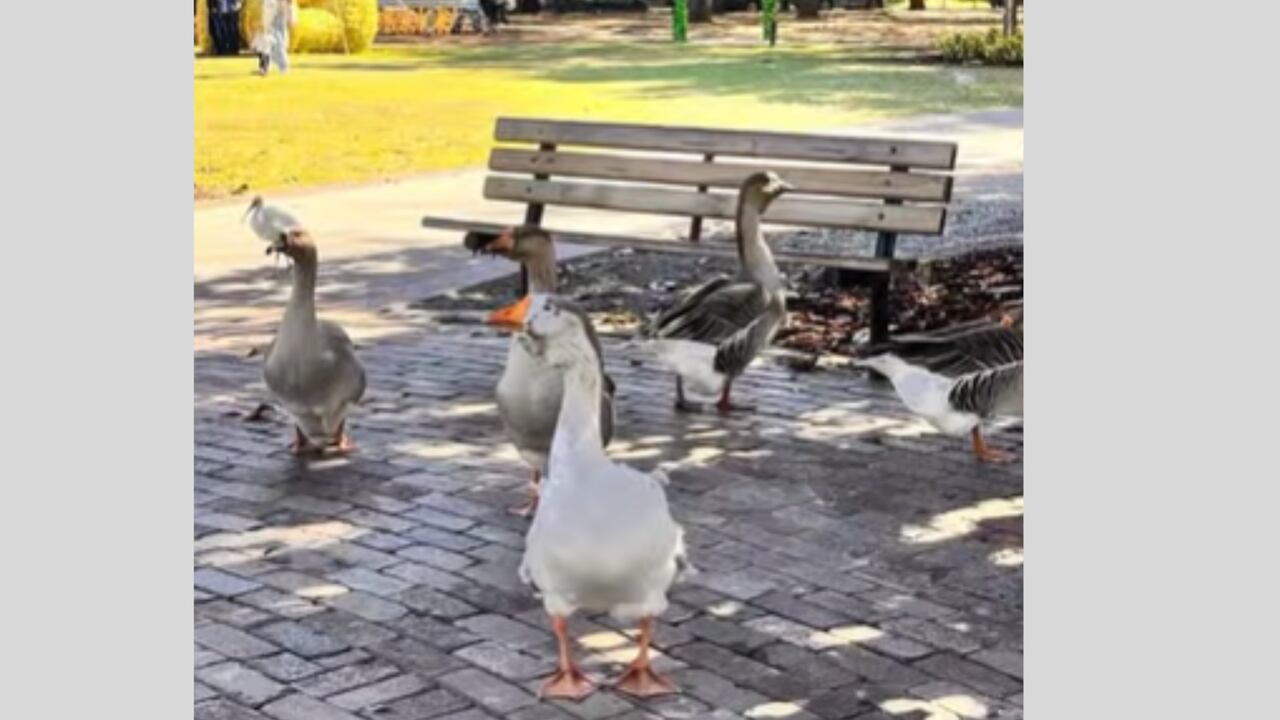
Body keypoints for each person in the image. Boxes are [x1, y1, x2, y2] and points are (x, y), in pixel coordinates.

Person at [256, 0, 294, 75]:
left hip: (279, 20)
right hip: (272, 18)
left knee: (278, 43)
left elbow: (289, 4)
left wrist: (290, 16)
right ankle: (265, 66)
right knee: (269, 41)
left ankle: (267, 66)